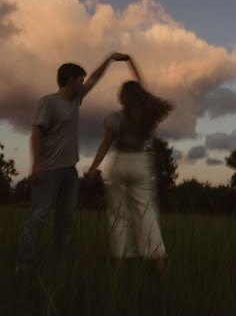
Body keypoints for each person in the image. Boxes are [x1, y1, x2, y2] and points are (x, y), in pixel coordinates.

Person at [16, 52, 129, 275]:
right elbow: (36, 133)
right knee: (38, 216)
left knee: (66, 220)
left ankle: (59, 264)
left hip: (69, 172)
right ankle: (23, 263)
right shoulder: (48, 102)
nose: (83, 83)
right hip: (48, 171)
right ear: (69, 80)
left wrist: (108, 59)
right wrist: (37, 163)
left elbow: (95, 79)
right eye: (80, 79)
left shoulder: (76, 100)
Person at [86, 56, 173, 274]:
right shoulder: (149, 115)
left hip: (119, 164)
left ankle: (119, 263)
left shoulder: (114, 118)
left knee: (118, 215)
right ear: (140, 96)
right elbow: (142, 83)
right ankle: (158, 263)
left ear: (123, 97)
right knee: (146, 213)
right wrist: (131, 62)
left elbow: (105, 145)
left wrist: (93, 168)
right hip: (141, 164)